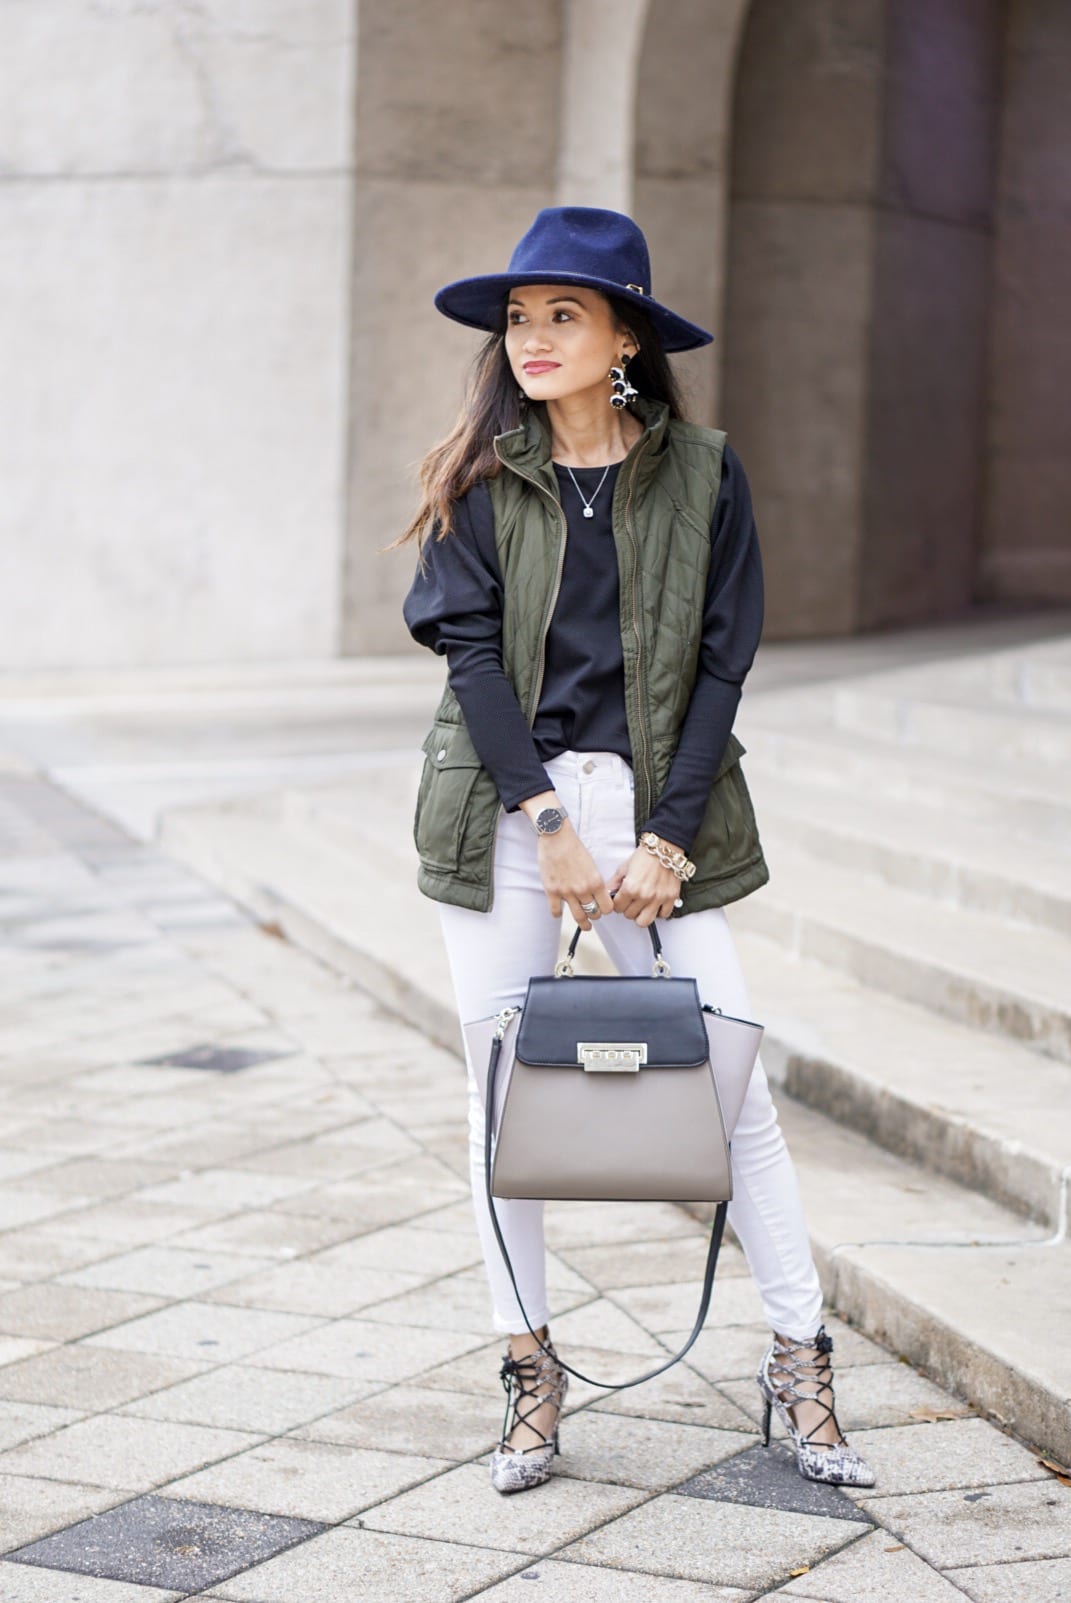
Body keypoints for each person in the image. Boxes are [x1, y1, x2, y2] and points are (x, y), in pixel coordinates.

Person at [398, 207, 875, 1496]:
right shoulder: (482, 479)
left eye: (565, 315)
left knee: (733, 1081)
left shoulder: (707, 473)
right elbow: (474, 662)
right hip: (506, 812)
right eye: (520, 318)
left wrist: (664, 840)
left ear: (624, 339)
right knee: (508, 1105)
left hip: (667, 815)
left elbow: (726, 662)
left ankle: (798, 1361)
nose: (534, 339)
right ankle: (530, 1377)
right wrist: (547, 820)